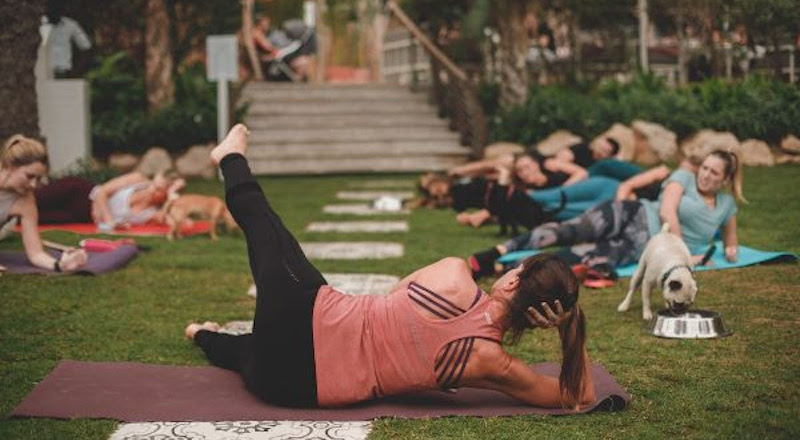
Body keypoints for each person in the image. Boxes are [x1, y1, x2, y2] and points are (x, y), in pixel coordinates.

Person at [185, 124, 596, 409]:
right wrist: (568, 328)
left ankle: (230, 157)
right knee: (249, 352)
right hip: (291, 387)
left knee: (268, 232)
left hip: (304, 317)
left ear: (513, 280)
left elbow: (397, 295)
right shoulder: (494, 364)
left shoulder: (454, 274)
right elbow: (580, 396)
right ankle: (202, 334)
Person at [469, 150, 744, 281]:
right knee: (567, 230)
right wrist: (684, 254)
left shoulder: (726, 205)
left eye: (714, 172)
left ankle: (498, 270)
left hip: (642, 246)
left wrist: (730, 250)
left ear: (727, 179)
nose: (705, 175)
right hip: (630, 214)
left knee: (573, 257)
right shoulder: (683, 176)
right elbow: (667, 210)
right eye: (705, 168)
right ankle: (495, 251)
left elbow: (730, 239)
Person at [0, 135, 87, 271]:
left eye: (38, 178)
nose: (33, 184)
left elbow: (36, 254)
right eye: (29, 176)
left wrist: (60, 265)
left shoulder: (26, 201)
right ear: (10, 166)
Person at [35, 170, 185, 231]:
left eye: (158, 190)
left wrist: (172, 196)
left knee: (36, 218)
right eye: (153, 184)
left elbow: (180, 223)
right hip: (79, 193)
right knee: (35, 199)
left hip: (82, 217)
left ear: (165, 195)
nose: (151, 190)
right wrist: (109, 221)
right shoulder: (137, 179)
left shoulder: (152, 213)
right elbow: (102, 192)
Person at [42, 0, 92, 78]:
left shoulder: (71, 25)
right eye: (52, 7)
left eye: (57, 8)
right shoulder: (37, 24)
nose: (54, 10)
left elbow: (86, 47)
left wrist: (77, 71)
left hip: (62, 71)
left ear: (62, 9)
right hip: (40, 72)